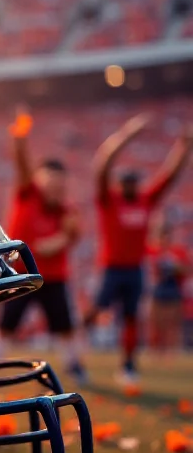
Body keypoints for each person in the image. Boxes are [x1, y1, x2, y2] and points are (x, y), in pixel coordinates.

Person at [84, 115, 192, 385]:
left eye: (134, 182)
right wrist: (127, 135)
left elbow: (169, 176)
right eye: (127, 182)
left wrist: (184, 147)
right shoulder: (109, 200)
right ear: (120, 185)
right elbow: (102, 166)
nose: (131, 186)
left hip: (134, 269)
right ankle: (74, 347)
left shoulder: (145, 200)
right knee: (97, 308)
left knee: (132, 317)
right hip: (110, 267)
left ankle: (129, 364)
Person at [0, 108, 86, 381]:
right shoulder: (28, 194)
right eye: (51, 184)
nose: (55, 190)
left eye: (59, 186)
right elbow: (21, 163)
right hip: (22, 271)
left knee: (64, 324)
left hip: (53, 276)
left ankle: (74, 365)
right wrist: (19, 136)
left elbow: (72, 236)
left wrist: (61, 240)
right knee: (8, 321)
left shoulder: (67, 209)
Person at [146, 221, 189, 358]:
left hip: (173, 290)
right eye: (161, 236)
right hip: (156, 290)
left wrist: (176, 267)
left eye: (166, 236)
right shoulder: (151, 250)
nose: (163, 239)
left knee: (172, 323)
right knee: (156, 323)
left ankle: (171, 352)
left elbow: (188, 270)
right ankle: (155, 352)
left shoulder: (177, 252)